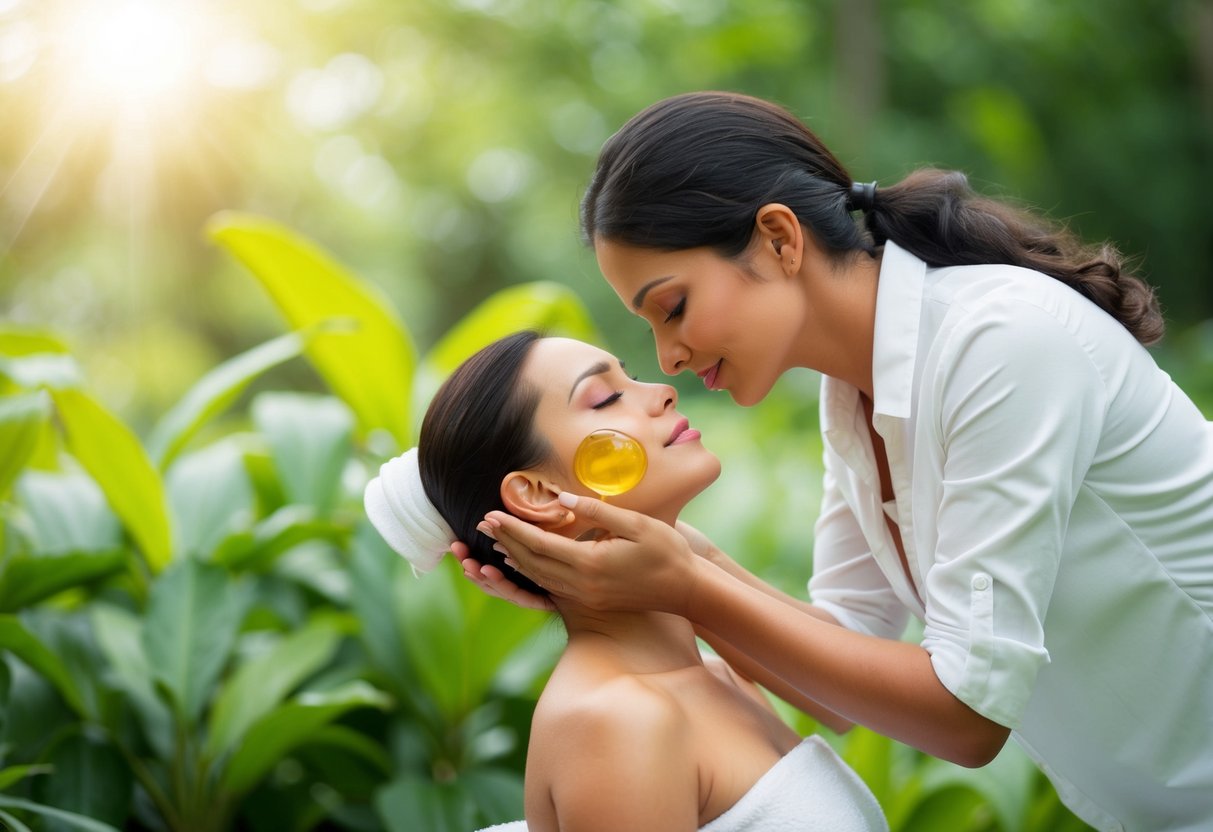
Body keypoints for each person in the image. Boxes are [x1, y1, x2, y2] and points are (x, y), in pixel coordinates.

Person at [460, 92, 1213, 832]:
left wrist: (685, 586)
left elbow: (966, 715)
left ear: (779, 240)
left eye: (675, 307)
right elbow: (839, 663)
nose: (669, 359)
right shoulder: (852, 397)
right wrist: (637, 573)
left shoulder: (999, 342)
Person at [364, 331, 889, 831]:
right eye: (605, 398)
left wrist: (691, 554)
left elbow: (850, 697)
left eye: (630, 376)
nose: (662, 390)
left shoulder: (719, 676)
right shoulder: (616, 722)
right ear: (540, 495)